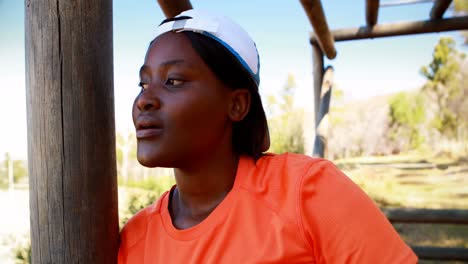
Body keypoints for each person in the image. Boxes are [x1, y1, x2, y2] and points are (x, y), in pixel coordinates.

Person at [118, 9, 417, 263]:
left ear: (236, 104)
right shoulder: (135, 241)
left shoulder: (307, 194)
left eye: (173, 80)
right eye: (143, 84)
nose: (145, 100)